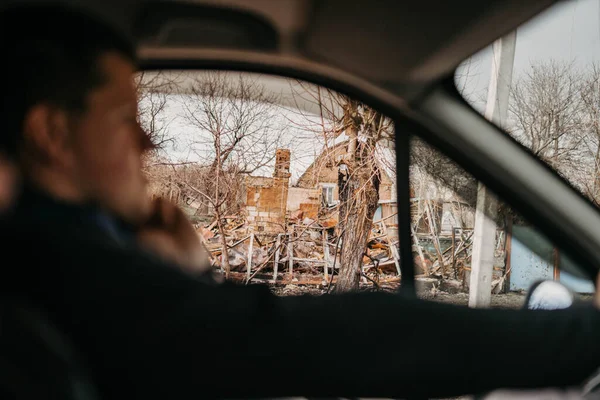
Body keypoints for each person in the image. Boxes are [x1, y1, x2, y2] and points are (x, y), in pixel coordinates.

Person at [0, 3, 600, 400]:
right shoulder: (59, 262)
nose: (146, 139)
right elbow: (331, 336)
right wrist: (578, 336)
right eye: (125, 118)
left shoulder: (64, 255)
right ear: (51, 133)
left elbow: (207, 342)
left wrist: (189, 270)